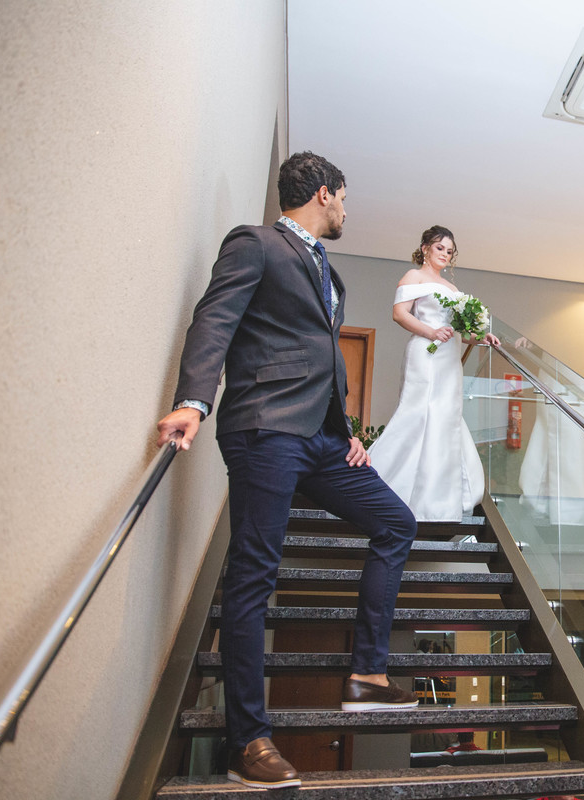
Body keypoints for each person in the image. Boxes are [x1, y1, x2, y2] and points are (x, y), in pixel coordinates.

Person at [156, 152, 419, 790]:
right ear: (324, 193)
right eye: (344, 197)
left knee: (396, 522)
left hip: (320, 438)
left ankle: (367, 674)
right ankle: (247, 741)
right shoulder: (256, 244)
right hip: (264, 429)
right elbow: (214, 319)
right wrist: (193, 402)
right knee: (255, 575)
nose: (347, 209)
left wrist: (346, 429)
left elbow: (319, 353)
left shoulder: (328, 268)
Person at [367, 225, 499, 522]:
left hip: (449, 358)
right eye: (440, 248)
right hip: (425, 354)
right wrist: (431, 332)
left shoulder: (452, 288)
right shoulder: (413, 276)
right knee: (419, 412)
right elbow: (399, 313)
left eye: (450, 251)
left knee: (446, 415)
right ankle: (380, 485)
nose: (445, 254)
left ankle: (437, 498)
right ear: (425, 248)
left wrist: (481, 337)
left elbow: (460, 332)